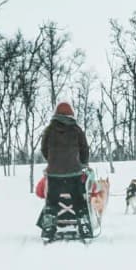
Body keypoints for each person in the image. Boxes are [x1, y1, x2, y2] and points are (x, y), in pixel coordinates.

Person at [37, 102, 92, 239]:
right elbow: (84, 149)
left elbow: (44, 149)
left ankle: (48, 229)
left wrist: (52, 161)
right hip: (74, 173)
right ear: (71, 114)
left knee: (52, 202)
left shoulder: (49, 130)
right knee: (79, 201)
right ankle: (85, 227)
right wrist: (83, 163)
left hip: (54, 174)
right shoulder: (77, 130)